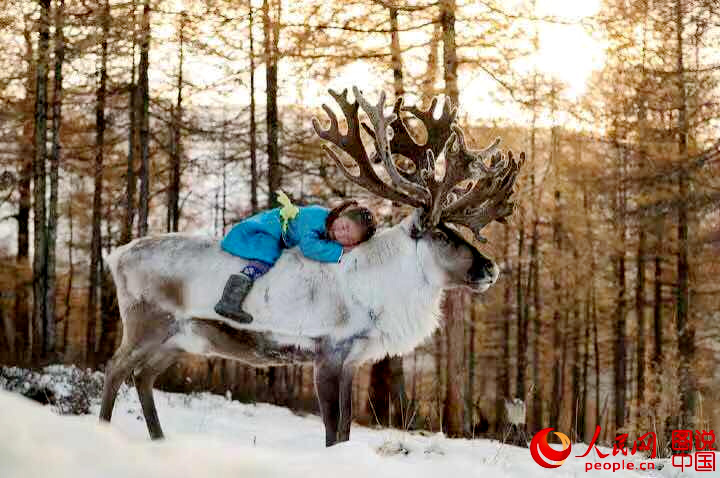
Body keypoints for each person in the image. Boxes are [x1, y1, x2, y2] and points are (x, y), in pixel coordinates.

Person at [215, 196, 377, 323]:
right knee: (268, 254)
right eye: (344, 227)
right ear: (341, 215)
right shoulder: (317, 217)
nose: (341, 234)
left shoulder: (329, 226)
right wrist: (341, 251)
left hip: (277, 233)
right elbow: (309, 247)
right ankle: (229, 300)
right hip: (267, 228)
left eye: (347, 239)